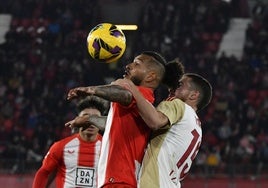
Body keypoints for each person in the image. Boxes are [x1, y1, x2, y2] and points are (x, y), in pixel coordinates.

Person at [65, 51, 173, 188]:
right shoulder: (142, 104)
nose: (128, 65)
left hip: (120, 180)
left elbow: (125, 95)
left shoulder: (139, 95)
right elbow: (115, 124)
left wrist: (92, 90)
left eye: (137, 64)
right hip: (120, 180)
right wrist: (90, 119)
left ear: (151, 76)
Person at [113, 72, 212, 188]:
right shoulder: (196, 126)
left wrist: (132, 88)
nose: (175, 87)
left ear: (193, 95)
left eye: (180, 85)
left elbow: (155, 121)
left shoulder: (179, 105)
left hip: (154, 183)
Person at [32, 96, 109, 188]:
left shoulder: (108, 148)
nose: (90, 122)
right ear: (77, 120)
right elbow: (44, 172)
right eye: (86, 117)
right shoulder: (61, 147)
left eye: (96, 118)